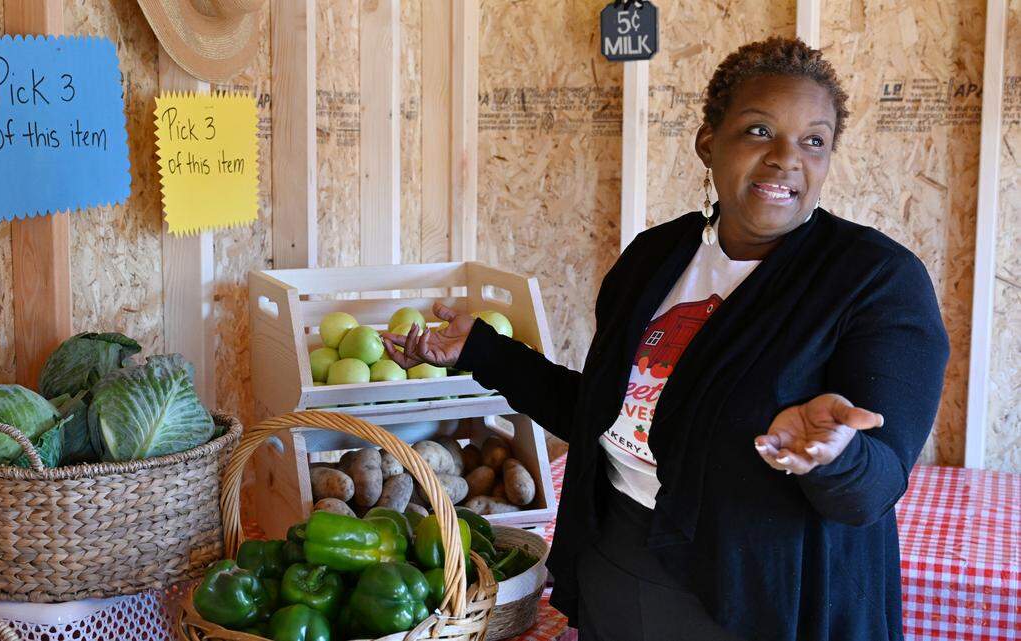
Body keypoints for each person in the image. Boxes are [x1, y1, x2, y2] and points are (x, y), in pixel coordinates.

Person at [382, 36, 949, 641]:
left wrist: (835, 456)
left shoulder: (874, 280)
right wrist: (482, 352)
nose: (788, 158)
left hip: (762, 595)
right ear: (709, 142)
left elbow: (874, 490)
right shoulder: (654, 259)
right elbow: (604, 415)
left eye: (814, 140)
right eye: (760, 131)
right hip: (620, 558)